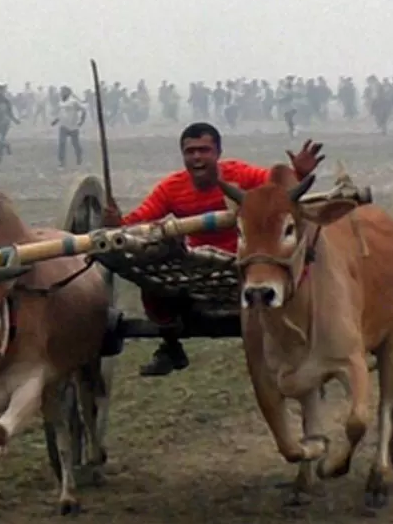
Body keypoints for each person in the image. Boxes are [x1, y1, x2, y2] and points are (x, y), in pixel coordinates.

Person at [101, 123, 324, 377]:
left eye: (204, 150)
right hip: (199, 266)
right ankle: (171, 344)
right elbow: (138, 222)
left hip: (250, 262)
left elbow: (279, 193)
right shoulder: (171, 188)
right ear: (183, 156)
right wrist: (116, 225)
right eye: (190, 151)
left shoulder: (241, 176)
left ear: (217, 153)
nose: (197, 157)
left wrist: (298, 172)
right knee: (152, 284)